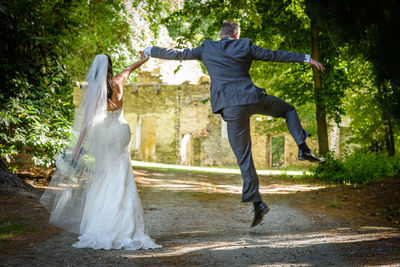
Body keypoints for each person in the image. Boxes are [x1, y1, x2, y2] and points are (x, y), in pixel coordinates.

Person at [144, 21, 325, 227]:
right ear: (236, 35)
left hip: (230, 107)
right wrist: (306, 58)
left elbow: (179, 54)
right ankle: (302, 148)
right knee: (288, 110)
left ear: (220, 34)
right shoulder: (245, 45)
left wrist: (150, 50)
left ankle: (258, 204)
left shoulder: (207, 48)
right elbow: (274, 55)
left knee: (244, 157)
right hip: (252, 98)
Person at [40, 53, 161, 250]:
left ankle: (104, 223)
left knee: (104, 176)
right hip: (121, 131)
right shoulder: (118, 81)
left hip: (104, 134)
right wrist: (143, 60)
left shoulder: (94, 90)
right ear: (110, 67)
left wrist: (76, 150)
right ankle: (126, 225)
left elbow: (86, 124)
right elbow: (130, 68)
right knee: (122, 174)